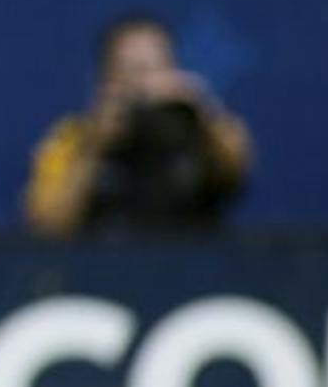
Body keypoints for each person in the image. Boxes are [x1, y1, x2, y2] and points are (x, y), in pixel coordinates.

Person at [24, 15, 252, 236]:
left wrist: (201, 108)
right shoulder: (75, 136)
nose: (141, 84)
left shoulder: (196, 129)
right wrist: (94, 148)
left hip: (190, 266)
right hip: (106, 267)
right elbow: (47, 225)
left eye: (153, 69)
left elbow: (237, 168)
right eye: (130, 71)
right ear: (104, 79)